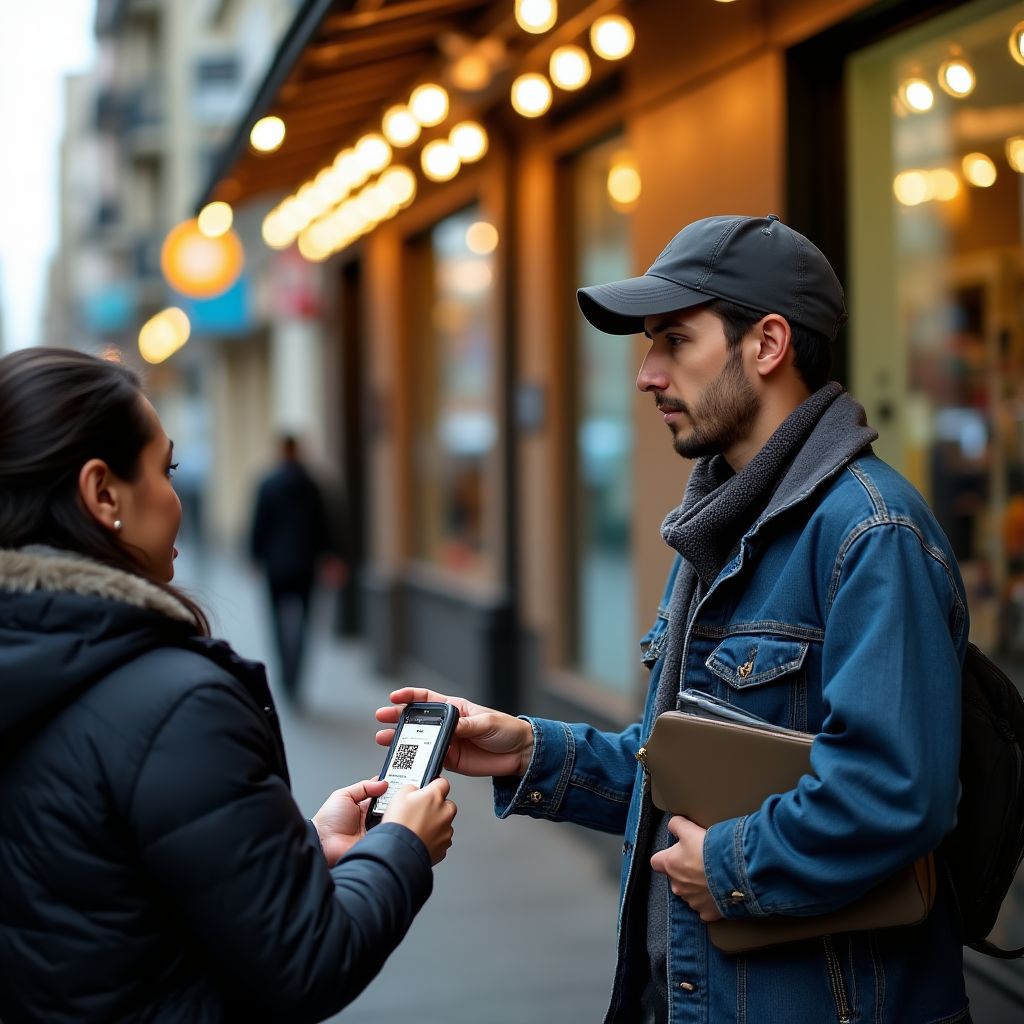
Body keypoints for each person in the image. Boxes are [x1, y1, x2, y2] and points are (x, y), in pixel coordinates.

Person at [377, 215, 971, 1022]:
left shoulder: (871, 532)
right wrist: (529, 751)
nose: (647, 374)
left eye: (674, 342)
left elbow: (893, 793)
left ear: (767, 344)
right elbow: (679, 774)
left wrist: (729, 864)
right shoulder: (717, 526)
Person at [0, 348, 456, 1023]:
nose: (177, 497)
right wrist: (402, 845)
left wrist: (298, 847)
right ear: (102, 494)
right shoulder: (175, 704)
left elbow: (97, 883)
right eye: (166, 469)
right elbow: (308, 961)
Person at [249, 433, 342, 704]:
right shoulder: (312, 484)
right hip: (306, 564)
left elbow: (259, 523)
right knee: (304, 624)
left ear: (281, 452)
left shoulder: (268, 483)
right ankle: (296, 677)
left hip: (275, 565)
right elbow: (325, 525)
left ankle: (284, 673)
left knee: (277, 622)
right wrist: (331, 557)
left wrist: (254, 556)